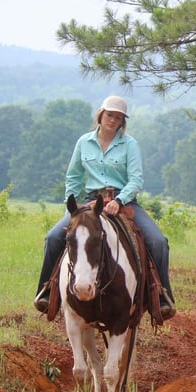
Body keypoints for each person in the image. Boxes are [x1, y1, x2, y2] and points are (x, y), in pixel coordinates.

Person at [33, 95, 176, 320]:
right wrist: (71, 210)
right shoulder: (84, 142)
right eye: (110, 115)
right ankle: (47, 292)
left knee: (158, 242)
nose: (113, 120)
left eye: (118, 117)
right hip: (91, 200)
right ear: (101, 114)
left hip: (124, 201)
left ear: (122, 121)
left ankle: (160, 297)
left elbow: (136, 180)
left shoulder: (130, 144)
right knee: (53, 238)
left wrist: (118, 202)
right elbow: (73, 177)